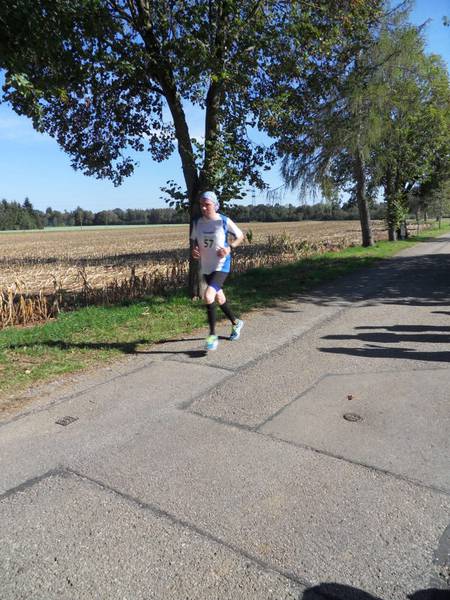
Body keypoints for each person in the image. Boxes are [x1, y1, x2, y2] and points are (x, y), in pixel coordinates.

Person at [191, 191, 245, 351]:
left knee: (208, 296)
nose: (203, 208)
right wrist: (194, 250)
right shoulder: (197, 223)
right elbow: (195, 242)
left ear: (215, 205)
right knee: (219, 298)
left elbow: (240, 236)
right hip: (207, 266)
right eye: (201, 205)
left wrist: (229, 248)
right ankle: (236, 323)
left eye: (207, 205)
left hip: (221, 266)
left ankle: (212, 335)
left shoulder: (223, 221)